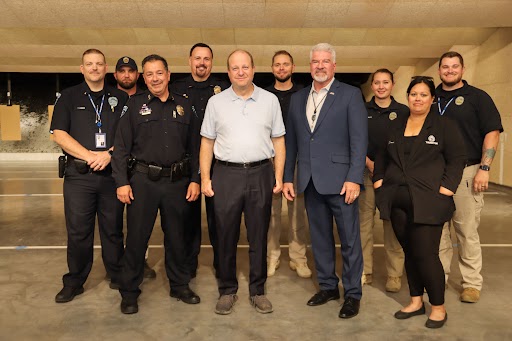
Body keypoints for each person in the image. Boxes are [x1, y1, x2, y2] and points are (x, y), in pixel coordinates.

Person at [373, 76, 466, 329]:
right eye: (414, 94)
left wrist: (447, 189)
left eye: (424, 94)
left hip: (429, 201)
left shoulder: (445, 125)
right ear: (408, 97)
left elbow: (458, 158)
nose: (418, 98)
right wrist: (379, 181)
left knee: (426, 255)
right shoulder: (396, 126)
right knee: (411, 254)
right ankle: (416, 302)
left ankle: (438, 307)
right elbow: (381, 156)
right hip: (397, 200)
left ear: (432, 99)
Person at [282, 43, 367, 319]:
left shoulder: (350, 95)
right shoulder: (298, 98)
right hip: (309, 180)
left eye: (325, 61)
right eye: (315, 62)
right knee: (319, 239)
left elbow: (359, 140)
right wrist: (287, 178)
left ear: (334, 66)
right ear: (310, 66)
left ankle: (352, 293)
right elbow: (292, 143)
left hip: (342, 183)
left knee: (350, 241)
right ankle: (328, 286)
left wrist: (354, 178)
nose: (320, 66)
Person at [112, 54, 201, 314]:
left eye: (159, 73)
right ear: (143, 77)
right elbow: (121, 149)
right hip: (142, 182)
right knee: (137, 239)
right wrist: (121, 183)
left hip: (177, 182)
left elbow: (195, 148)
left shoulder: (184, 105)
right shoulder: (134, 105)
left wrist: (195, 179)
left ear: (168, 74)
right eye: (149, 74)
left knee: (177, 238)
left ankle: (179, 285)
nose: (154, 78)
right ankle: (129, 292)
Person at [200, 49, 285, 315]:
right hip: (225, 175)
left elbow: (279, 140)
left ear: (253, 69)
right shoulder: (216, 103)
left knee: (259, 234)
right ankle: (227, 290)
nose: (240, 72)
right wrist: (205, 177)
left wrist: (279, 176)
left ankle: (258, 290)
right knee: (225, 234)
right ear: (228, 72)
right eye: (235, 68)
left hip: (261, 173)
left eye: (245, 67)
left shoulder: (270, 101)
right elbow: (207, 142)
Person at [51, 49, 128, 303]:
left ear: (106, 68)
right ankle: (74, 281)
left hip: (110, 175)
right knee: (78, 232)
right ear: (81, 68)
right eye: (89, 64)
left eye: (98, 64)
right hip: (79, 176)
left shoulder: (120, 97)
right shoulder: (68, 97)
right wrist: (88, 155)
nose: (94, 68)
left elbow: (129, 135)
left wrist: (108, 154)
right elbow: (58, 134)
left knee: (113, 230)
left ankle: (117, 274)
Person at [436, 51, 503, 303]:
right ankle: (438, 278)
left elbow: (492, 132)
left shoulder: (478, 98)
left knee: (466, 231)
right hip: (436, 174)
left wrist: (484, 169)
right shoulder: (432, 98)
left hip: (467, 171)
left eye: (455, 66)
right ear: (439, 70)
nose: (450, 70)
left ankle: (471, 284)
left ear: (462, 69)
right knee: (438, 231)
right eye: (445, 66)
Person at [170, 43, 229, 279]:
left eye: (206, 59)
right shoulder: (175, 88)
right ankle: (188, 264)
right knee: (187, 219)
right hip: (184, 163)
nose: (201, 63)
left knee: (220, 219)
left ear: (212, 62)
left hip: (217, 164)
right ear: (189, 61)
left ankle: (221, 264)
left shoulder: (224, 89)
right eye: (197, 58)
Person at [265, 50, 311, 279]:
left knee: (297, 213)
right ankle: (271, 257)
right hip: (270, 162)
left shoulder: (304, 94)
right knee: (270, 213)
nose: (281, 68)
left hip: (297, 161)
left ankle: (298, 258)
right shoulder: (264, 96)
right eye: (277, 65)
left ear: (293, 67)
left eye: (286, 64)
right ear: (272, 68)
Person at [360, 69, 407, 292]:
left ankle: (394, 274)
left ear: (392, 84)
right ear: (372, 86)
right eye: (377, 82)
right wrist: (369, 164)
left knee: (393, 227)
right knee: (364, 226)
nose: (381, 86)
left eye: (385, 82)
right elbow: (354, 139)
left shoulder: (404, 112)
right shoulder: (361, 110)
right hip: (365, 173)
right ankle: (365, 270)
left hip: (394, 179)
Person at [113, 55, 156, 280]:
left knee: (138, 226)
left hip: (140, 171)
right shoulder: (110, 99)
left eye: (131, 71)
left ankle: (141, 263)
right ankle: (118, 267)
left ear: (138, 75)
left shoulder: (145, 99)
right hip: (116, 167)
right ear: (116, 75)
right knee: (114, 224)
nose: (127, 75)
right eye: (122, 71)